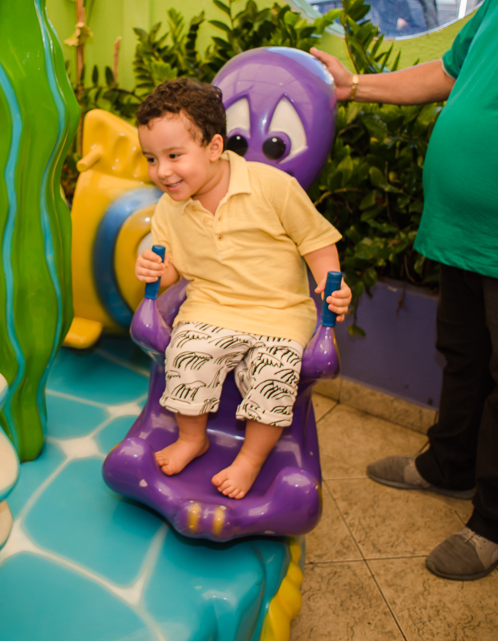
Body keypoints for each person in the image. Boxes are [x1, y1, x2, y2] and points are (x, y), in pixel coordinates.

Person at [311, 0, 498, 581]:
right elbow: (445, 72)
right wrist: (354, 86)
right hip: (464, 233)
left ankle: (493, 523)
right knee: (463, 355)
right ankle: (449, 465)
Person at [133, 78, 352, 500]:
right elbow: (172, 270)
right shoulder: (169, 209)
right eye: (151, 159)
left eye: (174, 156)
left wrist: (331, 285)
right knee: (187, 354)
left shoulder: (272, 187)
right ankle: (192, 438)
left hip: (280, 312)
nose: (162, 171)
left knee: (274, 373)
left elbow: (317, 242)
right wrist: (156, 270)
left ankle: (250, 459)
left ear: (214, 147)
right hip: (211, 307)